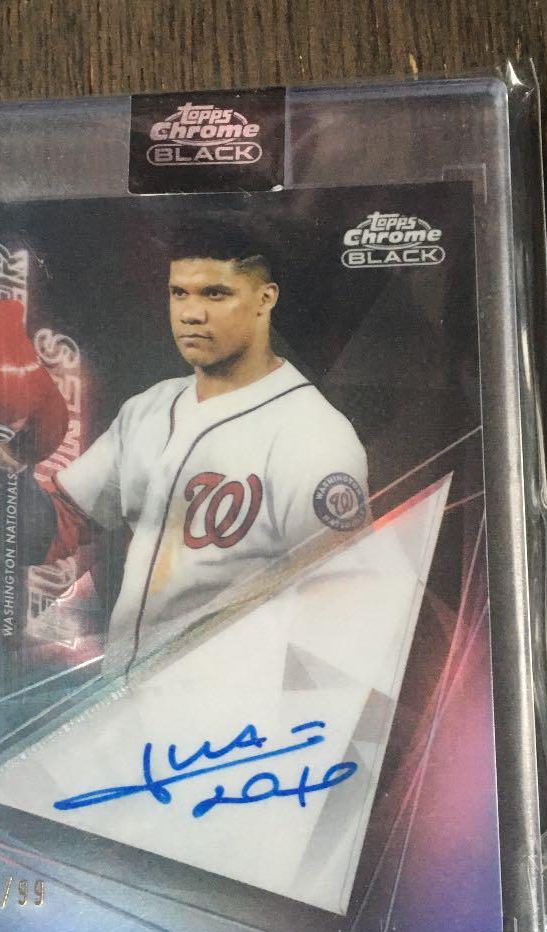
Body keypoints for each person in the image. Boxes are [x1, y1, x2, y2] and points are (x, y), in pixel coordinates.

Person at [44, 214, 369, 675]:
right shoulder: (148, 408)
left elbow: (345, 610)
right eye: (180, 293)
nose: (191, 313)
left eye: (215, 294)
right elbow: (65, 520)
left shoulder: (313, 434)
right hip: (122, 698)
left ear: (265, 299)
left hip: (232, 706)